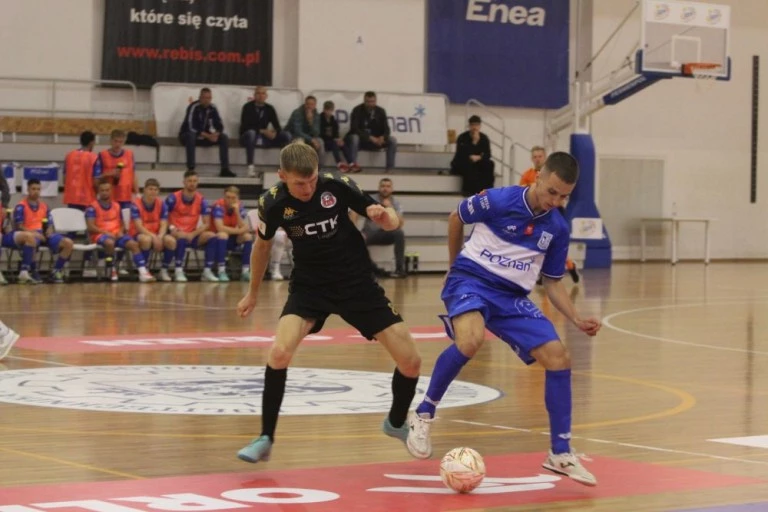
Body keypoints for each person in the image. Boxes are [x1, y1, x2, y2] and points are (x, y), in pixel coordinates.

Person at [406, 152, 602, 486]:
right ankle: (423, 412)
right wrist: (453, 267)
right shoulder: (497, 200)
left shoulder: (556, 227)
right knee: (470, 339)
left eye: (563, 196)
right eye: (552, 191)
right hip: (471, 280)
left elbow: (552, 281)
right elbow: (456, 217)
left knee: (558, 358)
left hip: (511, 297)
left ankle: (560, 453)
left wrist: (575, 318)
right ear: (538, 176)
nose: (555, 200)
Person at [235, 141, 422, 464]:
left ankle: (394, 422)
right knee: (279, 352)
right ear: (282, 176)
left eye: (311, 181)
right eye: (298, 183)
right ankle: (265, 436)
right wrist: (252, 292)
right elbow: (262, 247)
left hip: (356, 284)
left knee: (412, 362)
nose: (307, 189)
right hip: (310, 287)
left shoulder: (337, 186)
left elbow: (388, 218)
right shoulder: (273, 203)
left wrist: (385, 217)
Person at [520, 147, 580, 284]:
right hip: (537, 212)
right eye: (534, 156)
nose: (537, 159)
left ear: (545, 157)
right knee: (541, 243)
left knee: (552, 243)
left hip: (555, 211)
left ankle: (568, 266)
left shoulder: (557, 174)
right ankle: (561, 267)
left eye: (540, 156)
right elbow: (523, 191)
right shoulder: (527, 175)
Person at [86, 178, 155, 282]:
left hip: (116, 234)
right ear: (98, 192)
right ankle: (111, 268)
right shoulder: (92, 207)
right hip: (100, 234)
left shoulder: (117, 205)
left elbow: (122, 223)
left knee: (133, 244)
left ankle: (142, 272)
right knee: (109, 243)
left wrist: (121, 231)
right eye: (102, 190)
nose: (105, 192)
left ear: (111, 191)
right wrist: (106, 232)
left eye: (107, 190)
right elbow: (90, 227)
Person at [14, 178, 74, 283]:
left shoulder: (44, 206)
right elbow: (19, 226)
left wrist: (49, 230)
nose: (36, 191)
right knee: (31, 240)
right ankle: (33, 271)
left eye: (38, 189)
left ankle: (56, 271)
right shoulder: (21, 206)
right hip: (30, 233)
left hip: (44, 234)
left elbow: (49, 223)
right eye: (33, 189)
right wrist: (34, 233)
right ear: (28, 189)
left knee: (68, 243)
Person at [129, 178, 176, 282]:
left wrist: (159, 236)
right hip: (138, 233)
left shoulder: (162, 204)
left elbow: (164, 224)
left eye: (155, 189)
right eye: (150, 189)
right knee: (146, 240)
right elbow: (139, 226)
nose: (153, 191)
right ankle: (144, 271)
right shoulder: (135, 204)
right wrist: (154, 237)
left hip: (156, 233)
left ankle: (163, 270)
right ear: (144, 190)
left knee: (171, 241)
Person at [239, 86, 292, 178]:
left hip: (263, 137)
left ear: (266, 96)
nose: (260, 96)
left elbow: (277, 126)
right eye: (258, 93)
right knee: (251, 133)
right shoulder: (247, 107)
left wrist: (274, 133)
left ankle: (286, 167)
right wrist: (262, 131)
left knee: (286, 135)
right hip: (248, 137)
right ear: (254, 95)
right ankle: (250, 167)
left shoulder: (269, 108)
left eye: (263, 93)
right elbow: (245, 126)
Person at [178, 87, 232, 177]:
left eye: (209, 98)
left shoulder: (213, 108)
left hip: (205, 137)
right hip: (188, 136)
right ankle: (191, 168)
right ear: (200, 98)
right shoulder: (193, 107)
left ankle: (225, 169)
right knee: (191, 135)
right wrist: (208, 136)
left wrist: (216, 134)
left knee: (224, 137)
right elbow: (191, 127)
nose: (206, 100)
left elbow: (220, 125)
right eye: (204, 98)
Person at [359, 178, 406, 278]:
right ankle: (374, 269)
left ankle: (400, 269)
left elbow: (400, 224)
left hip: (386, 233)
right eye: (383, 186)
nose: (385, 189)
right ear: (379, 188)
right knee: (357, 240)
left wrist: (390, 207)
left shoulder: (396, 203)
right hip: (369, 232)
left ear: (392, 189)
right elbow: (354, 212)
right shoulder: (370, 199)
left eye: (388, 186)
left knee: (400, 233)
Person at [209, 186, 254, 282]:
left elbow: (245, 227)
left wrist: (237, 213)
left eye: (233, 198)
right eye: (228, 197)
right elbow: (220, 228)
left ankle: (245, 271)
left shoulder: (239, 206)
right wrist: (239, 231)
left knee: (248, 236)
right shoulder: (218, 206)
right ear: (224, 197)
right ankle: (221, 271)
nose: (230, 200)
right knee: (223, 234)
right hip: (216, 239)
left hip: (232, 238)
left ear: (238, 198)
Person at [345, 91, 397, 173]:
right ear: (364, 101)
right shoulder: (357, 110)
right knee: (354, 138)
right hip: (362, 141)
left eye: (372, 102)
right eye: (368, 102)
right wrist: (369, 138)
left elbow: (387, 129)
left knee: (392, 140)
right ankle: (353, 166)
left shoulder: (381, 111)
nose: (370, 104)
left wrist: (383, 137)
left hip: (377, 140)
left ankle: (390, 169)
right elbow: (354, 128)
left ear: (375, 101)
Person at [450, 115, 494, 197]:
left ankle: (487, 191)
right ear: (469, 126)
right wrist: (474, 143)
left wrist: (480, 157)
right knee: (469, 166)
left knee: (490, 164)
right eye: (473, 125)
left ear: (480, 126)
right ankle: (468, 192)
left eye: (477, 125)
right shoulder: (462, 137)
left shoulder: (484, 138)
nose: (474, 127)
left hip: (478, 161)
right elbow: (461, 154)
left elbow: (488, 154)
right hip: (463, 161)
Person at [94, 129, 138, 209]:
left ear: (124, 142)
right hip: (109, 196)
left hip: (126, 196)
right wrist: (109, 173)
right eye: (115, 141)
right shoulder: (102, 155)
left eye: (120, 142)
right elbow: (97, 177)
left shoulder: (129, 154)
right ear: (111, 141)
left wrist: (137, 193)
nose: (118, 144)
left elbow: (133, 175)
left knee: (125, 220)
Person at [63, 131, 99, 211]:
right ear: (92, 142)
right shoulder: (93, 158)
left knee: (73, 222)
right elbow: (95, 182)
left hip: (72, 198)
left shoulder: (69, 156)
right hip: (87, 199)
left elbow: (64, 179)